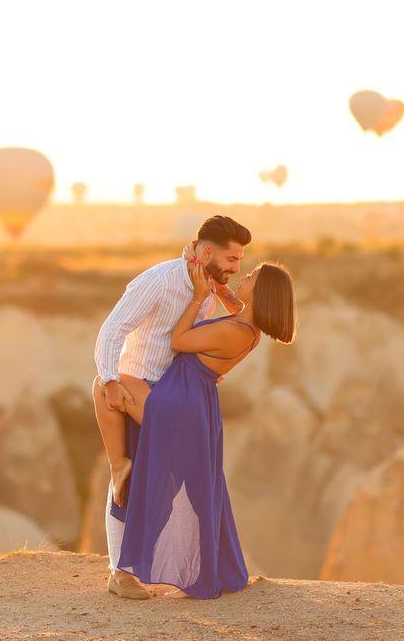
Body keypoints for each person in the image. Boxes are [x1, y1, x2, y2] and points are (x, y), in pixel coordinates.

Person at [110, 258, 297, 600]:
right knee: (200, 488)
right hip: (193, 401)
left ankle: (117, 465)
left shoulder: (236, 331)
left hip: (180, 401)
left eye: (251, 277)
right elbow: (241, 307)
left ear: (262, 293)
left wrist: (198, 296)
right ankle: (213, 565)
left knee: (107, 384)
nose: (244, 276)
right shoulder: (244, 324)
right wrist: (224, 291)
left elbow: (179, 341)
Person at [93, 215, 252, 599]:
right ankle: (120, 572)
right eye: (232, 260)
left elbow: (208, 334)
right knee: (132, 480)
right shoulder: (160, 280)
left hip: (174, 393)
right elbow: (112, 329)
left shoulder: (208, 287)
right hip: (141, 388)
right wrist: (111, 380)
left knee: (180, 481)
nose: (236, 268)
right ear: (208, 252)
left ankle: (213, 565)